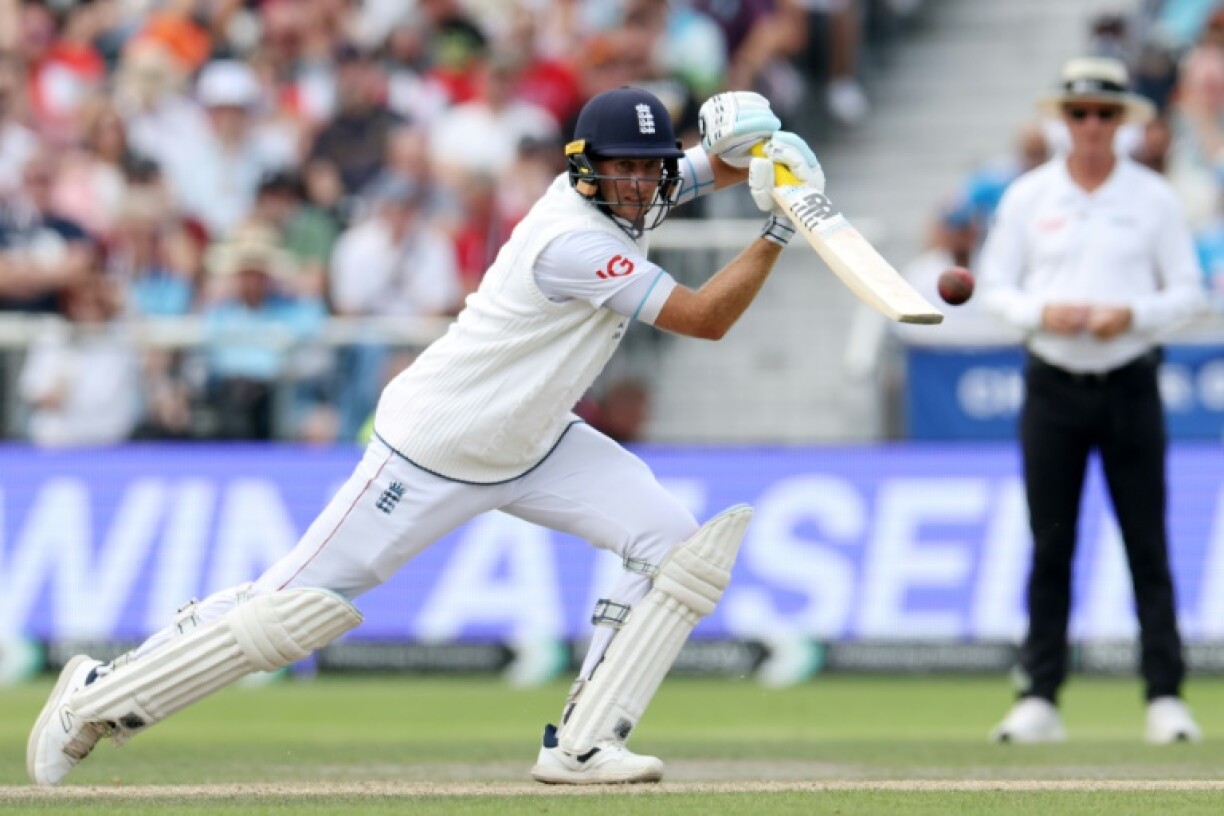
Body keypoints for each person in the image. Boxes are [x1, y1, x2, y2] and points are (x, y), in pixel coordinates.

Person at [27, 87, 823, 786]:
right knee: (289, 611)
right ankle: (97, 699)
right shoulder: (572, 240)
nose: (641, 183)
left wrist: (756, 155)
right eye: (624, 169)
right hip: (434, 449)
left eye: (650, 168)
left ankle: (583, 747)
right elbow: (703, 318)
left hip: (536, 441)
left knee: (674, 550)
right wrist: (783, 227)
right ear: (586, 168)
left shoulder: (631, 188)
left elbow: (698, 171)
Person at [980, 57, 1207, 745]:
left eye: (1105, 115)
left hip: (1129, 382)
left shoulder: (1153, 197)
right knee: (1051, 544)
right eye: (1080, 114)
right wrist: (1044, 312)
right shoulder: (1028, 197)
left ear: (1124, 122)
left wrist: (1130, 314)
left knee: (1148, 544)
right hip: (1053, 383)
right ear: (1063, 119)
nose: (1091, 127)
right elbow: (995, 287)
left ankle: (1165, 696)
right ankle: (1039, 695)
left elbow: (1189, 290)